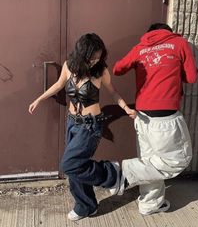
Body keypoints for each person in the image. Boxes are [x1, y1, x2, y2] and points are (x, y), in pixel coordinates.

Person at [29, 33, 136, 221]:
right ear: (82, 53)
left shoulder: (101, 71)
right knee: (77, 167)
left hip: (90, 126)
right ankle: (86, 206)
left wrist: (126, 108)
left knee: (69, 164)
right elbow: (59, 85)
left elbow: (113, 92)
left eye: (98, 57)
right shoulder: (69, 66)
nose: (95, 61)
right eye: (92, 57)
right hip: (72, 122)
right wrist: (39, 99)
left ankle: (112, 173)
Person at [112, 23, 198, 215]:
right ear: (167, 31)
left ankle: (150, 204)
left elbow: (117, 69)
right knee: (179, 159)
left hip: (142, 117)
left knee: (150, 161)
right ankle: (122, 173)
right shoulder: (179, 43)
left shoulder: (140, 48)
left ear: (149, 33)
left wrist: (141, 65)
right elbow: (192, 78)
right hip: (165, 119)